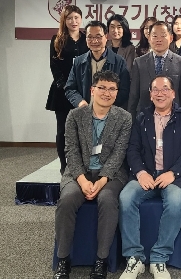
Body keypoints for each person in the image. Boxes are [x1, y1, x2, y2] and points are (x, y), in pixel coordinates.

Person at [54, 71, 132, 279]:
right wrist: (82, 179)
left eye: (112, 89)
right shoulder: (75, 116)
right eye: (102, 88)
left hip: (111, 174)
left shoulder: (124, 118)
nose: (107, 93)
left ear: (117, 92)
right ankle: (63, 259)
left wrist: (103, 179)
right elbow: (71, 151)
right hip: (79, 171)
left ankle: (101, 260)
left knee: (107, 199)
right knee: (67, 200)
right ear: (92, 90)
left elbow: (119, 153)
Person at [119, 75, 181, 279]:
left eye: (165, 89)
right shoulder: (141, 118)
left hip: (174, 176)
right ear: (150, 94)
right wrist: (140, 172)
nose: (160, 93)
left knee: (175, 202)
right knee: (126, 198)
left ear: (173, 93)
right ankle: (134, 258)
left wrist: (173, 173)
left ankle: (159, 258)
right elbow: (132, 150)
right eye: (155, 89)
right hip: (146, 173)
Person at [46, 5, 88, 174]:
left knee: (84, 131)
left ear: (81, 19)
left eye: (76, 17)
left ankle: (82, 165)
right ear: (64, 20)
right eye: (69, 18)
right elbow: (54, 66)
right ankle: (64, 166)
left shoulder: (87, 39)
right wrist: (66, 87)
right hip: (62, 92)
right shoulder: (57, 39)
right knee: (63, 130)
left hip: (84, 93)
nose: (73, 21)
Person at [127, 21, 181, 118]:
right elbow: (133, 95)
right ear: (149, 38)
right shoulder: (139, 63)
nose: (159, 40)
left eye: (163, 36)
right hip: (144, 118)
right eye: (155, 36)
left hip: (173, 117)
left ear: (171, 38)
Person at [65, 21, 130, 110]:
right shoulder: (78, 62)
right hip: (84, 112)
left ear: (106, 37)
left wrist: (106, 105)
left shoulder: (119, 62)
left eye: (98, 37)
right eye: (90, 37)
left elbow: (124, 91)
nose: (94, 41)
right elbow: (70, 88)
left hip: (110, 112)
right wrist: (80, 103)